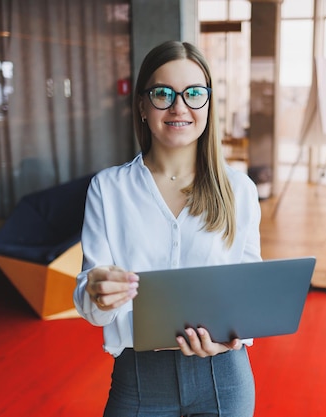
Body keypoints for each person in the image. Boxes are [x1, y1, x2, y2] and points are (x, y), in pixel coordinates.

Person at [73, 40, 262, 417]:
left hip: (222, 379)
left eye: (194, 93)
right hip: (139, 380)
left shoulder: (239, 190)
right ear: (142, 106)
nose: (179, 106)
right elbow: (91, 304)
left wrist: (229, 338)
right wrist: (96, 292)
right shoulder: (108, 189)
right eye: (163, 93)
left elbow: (248, 294)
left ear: (208, 104)